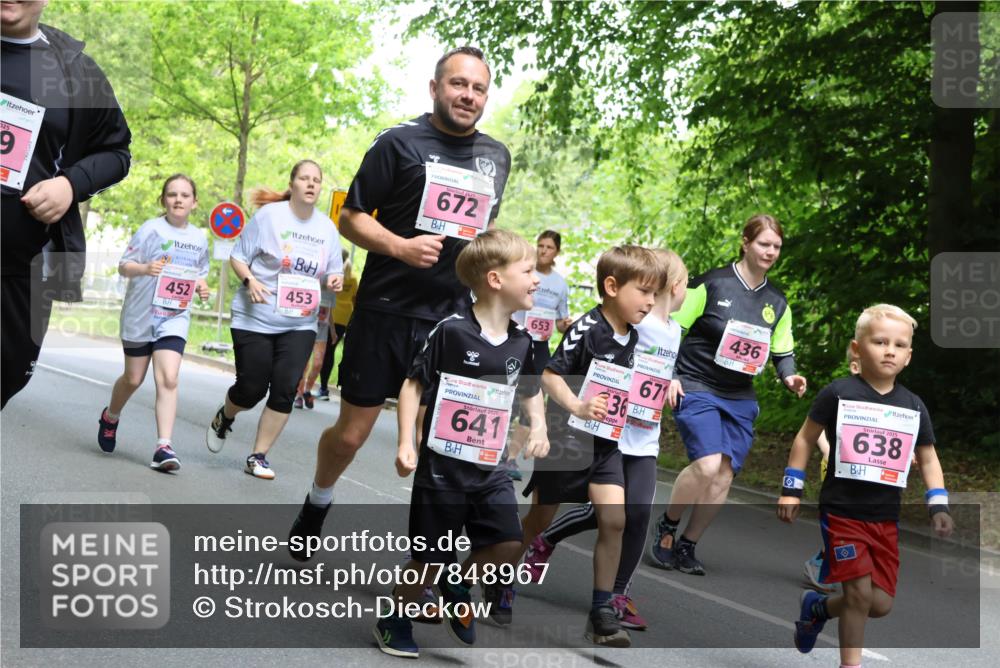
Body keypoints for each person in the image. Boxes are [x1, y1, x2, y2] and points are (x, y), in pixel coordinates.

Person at [287, 47, 511, 555]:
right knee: (351, 435)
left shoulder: (496, 156)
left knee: (445, 448)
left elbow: (485, 229)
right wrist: (400, 247)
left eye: (477, 89)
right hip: (386, 311)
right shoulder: (398, 143)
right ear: (435, 88)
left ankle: (429, 560)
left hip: (455, 321)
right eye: (458, 84)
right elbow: (351, 217)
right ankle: (317, 501)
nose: (467, 96)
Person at [372, 230, 549, 658]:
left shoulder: (523, 341)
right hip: (443, 469)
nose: (536, 279)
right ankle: (394, 619)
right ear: (494, 279)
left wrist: (540, 426)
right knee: (429, 557)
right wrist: (406, 442)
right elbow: (413, 386)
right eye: (527, 270)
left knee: (508, 544)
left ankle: (458, 585)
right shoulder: (451, 332)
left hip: (492, 468)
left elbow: (529, 390)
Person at [777, 304, 953, 667]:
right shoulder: (838, 393)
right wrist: (791, 488)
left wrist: (939, 506)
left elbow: (930, 458)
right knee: (857, 594)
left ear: (908, 356)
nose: (890, 350)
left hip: (885, 517)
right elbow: (805, 440)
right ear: (857, 349)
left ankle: (818, 608)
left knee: (880, 604)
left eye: (899, 345)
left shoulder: (913, 406)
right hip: (842, 513)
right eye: (880, 341)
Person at [523, 248, 687, 631]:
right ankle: (498, 576)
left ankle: (605, 607)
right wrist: (576, 407)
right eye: (645, 291)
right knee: (539, 518)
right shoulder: (594, 326)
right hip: (569, 437)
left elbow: (644, 375)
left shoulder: (638, 334)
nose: (650, 301)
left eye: (655, 293)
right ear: (613, 287)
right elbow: (550, 373)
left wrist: (662, 386)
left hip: (611, 442)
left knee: (618, 518)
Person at [650, 214, 808, 576]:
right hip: (696, 382)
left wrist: (790, 377)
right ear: (746, 243)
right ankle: (668, 526)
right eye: (764, 244)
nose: (770, 252)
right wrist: (669, 374)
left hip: (739, 395)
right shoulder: (712, 284)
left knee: (723, 475)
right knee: (707, 463)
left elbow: (783, 352)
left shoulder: (777, 302)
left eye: (777, 247)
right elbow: (671, 327)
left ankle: (688, 543)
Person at [1, 0, 131, 408]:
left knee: (8, 375)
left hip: (19, 272)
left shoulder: (73, 71)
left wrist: (70, 185)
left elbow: (117, 152)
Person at [205, 160, 343, 479]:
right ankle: (225, 416)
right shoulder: (270, 217)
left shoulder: (326, 229)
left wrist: (334, 280)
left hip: (299, 322)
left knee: (284, 389)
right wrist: (250, 281)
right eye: (304, 178)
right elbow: (239, 257)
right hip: (255, 317)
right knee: (251, 388)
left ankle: (258, 456)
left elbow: (333, 269)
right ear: (292, 184)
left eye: (316, 180)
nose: (311, 184)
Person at [97, 174, 209, 471]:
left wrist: (201, 286)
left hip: (173, 316)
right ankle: (110, 416)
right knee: (133, 379)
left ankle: (163, 446)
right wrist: (145, 268)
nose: (178, 199)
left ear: (194, 202)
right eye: (172, 194)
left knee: (169, 378)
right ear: (163, 200)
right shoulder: (151, 229)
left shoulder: (199, 238)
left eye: (185, 195)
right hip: (140, 314)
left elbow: (199, 272)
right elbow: (124, 266)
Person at [504, 229, 572, 481]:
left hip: (540, 347)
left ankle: (511, 459)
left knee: (531, 399)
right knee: (505, 396)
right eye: (540, 246)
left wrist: (565, 324)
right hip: (515, 339)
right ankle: (494, 450)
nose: (543, 251)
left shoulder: (560, 284)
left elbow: (561, 322)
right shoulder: (525, 273)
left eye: (549, 248)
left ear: (557, 252)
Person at [803, 344, 861, 593]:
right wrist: (827, 450)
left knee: (855, 524)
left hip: (865, 476)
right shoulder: (841, 394)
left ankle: (826, 560)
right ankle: (820, 564)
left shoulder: (882, 402)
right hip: (836, 468)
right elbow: (811, 431)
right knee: (842, 524)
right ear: (854, 365)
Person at [293, 260, 339, 409]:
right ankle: (299, 395)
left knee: (318, 364)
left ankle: (308, 390)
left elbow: (330, 313)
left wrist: (333, 331)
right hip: (308, 329)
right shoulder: (312, 288)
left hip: (323, 333)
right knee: (304, 365)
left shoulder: (331, 293)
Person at [317, 248, 356, 399]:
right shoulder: (352, 278)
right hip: (344, 318)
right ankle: (323, 388)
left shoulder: (330, 275)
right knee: (330, 352)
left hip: (328, 315)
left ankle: (318, 387)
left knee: (321, 351)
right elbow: (355, 300)